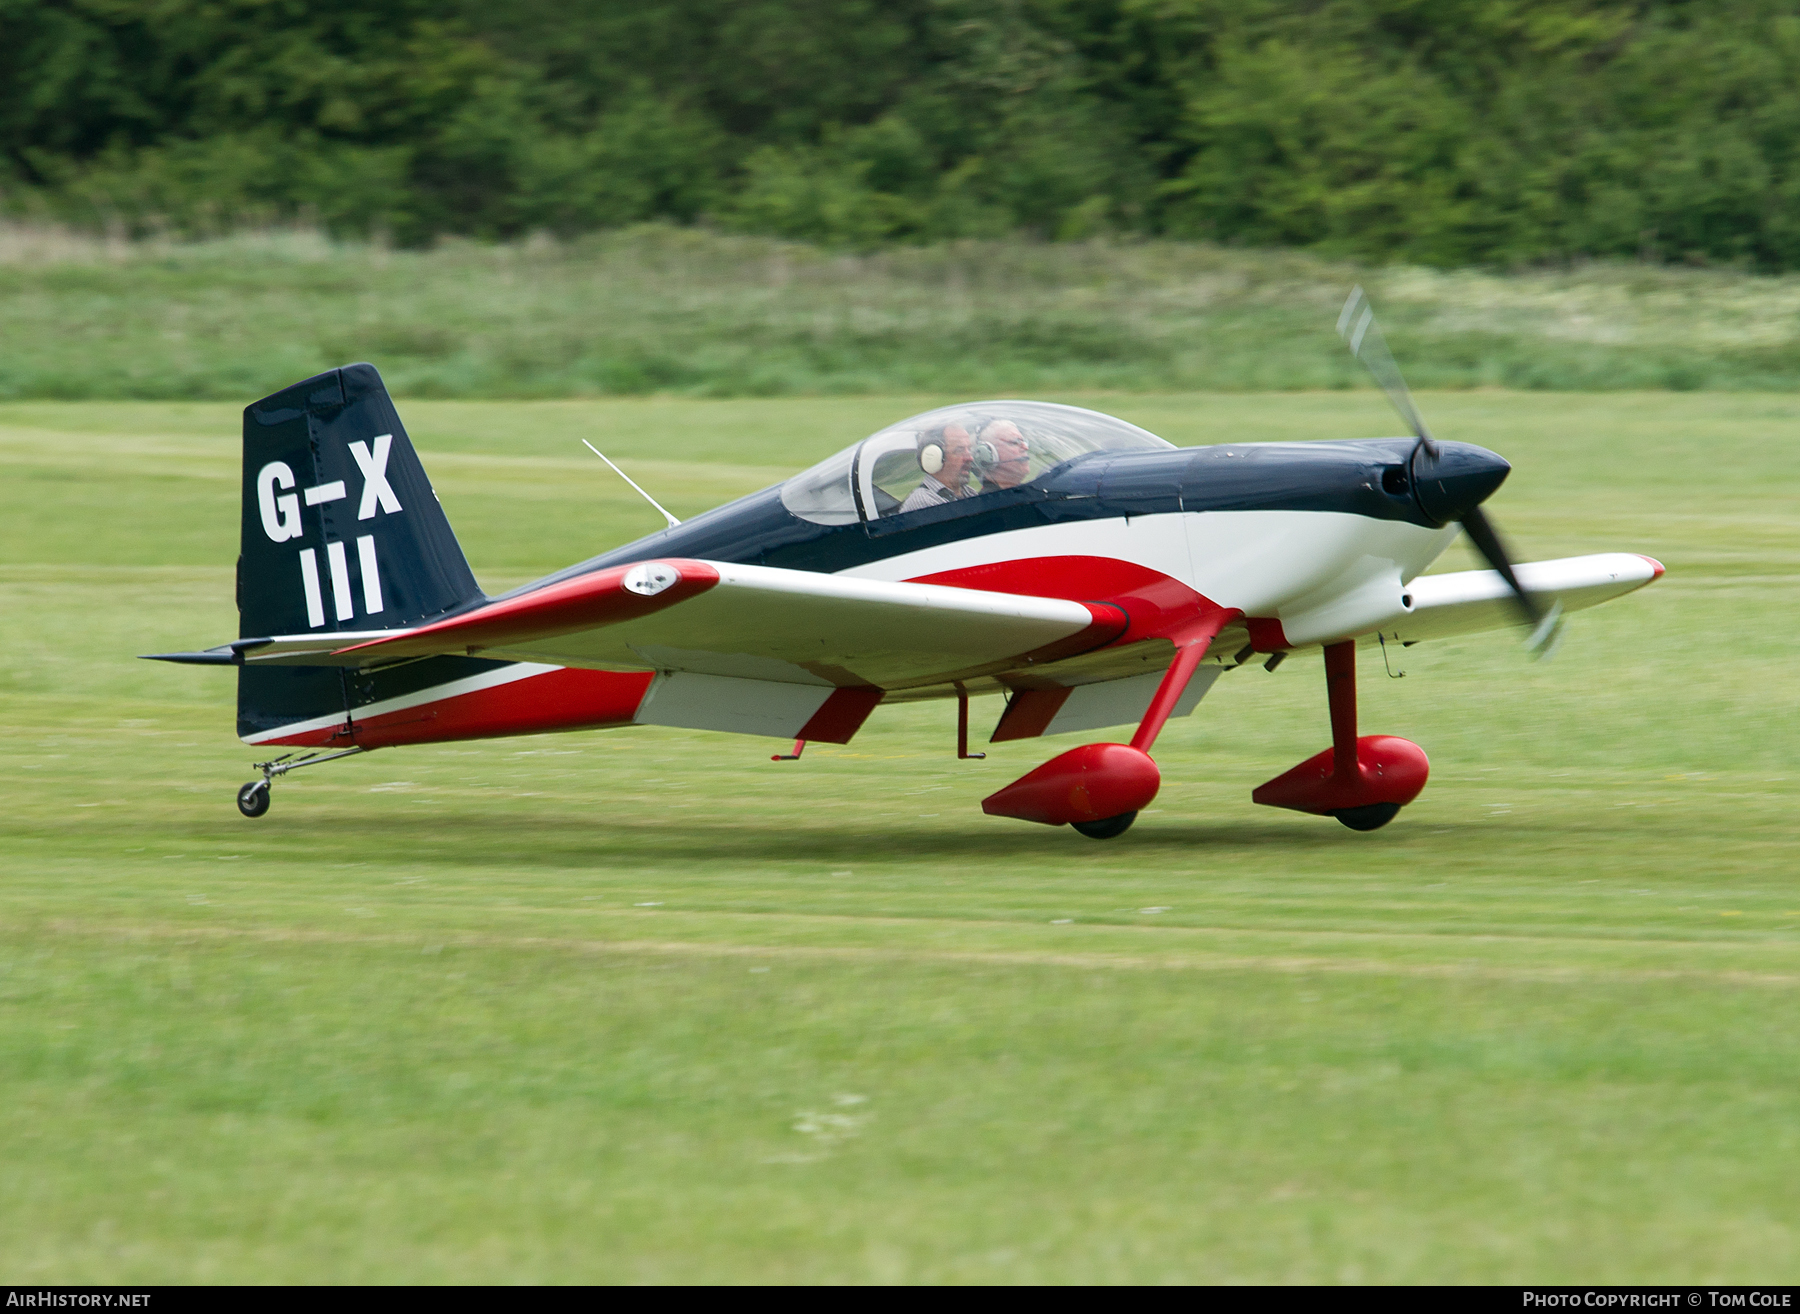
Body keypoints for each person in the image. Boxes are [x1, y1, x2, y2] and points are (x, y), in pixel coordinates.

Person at [898, 423, 973, 512]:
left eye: (969, 449)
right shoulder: (924, 502)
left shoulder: (968, 492)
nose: (970, 458)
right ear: (935, 457)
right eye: (959, 450)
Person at [975, 419, 1030, 492]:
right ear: (989, 455)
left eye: (1024, 442)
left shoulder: (1020, 492)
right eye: (1015, 442)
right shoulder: (987, 501)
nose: (1026, 448)